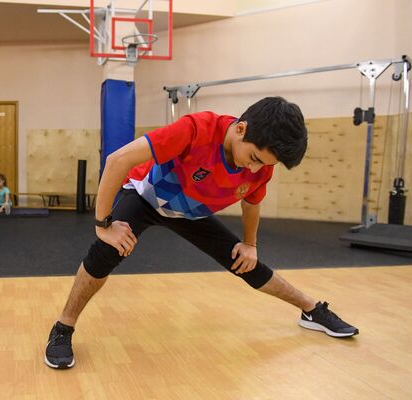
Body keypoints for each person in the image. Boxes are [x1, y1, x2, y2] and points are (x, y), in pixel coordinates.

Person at [44, 97, 359, 370]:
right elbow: (118, 159)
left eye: (264, 164)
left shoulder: (262, 165)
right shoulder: (197, 129)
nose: (254, 169)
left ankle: (311, 310)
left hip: (190, 213)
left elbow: (252, 202)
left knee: (245, 263)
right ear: (240, 129)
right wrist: (103, 224)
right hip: (144, 197)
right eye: (253, 158)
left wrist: (250, 244)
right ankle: (63, 327)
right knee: (106, 252)